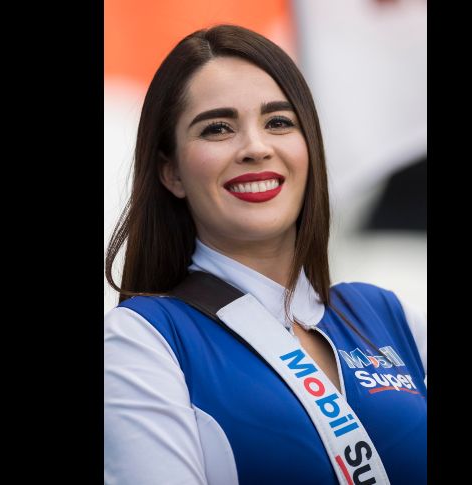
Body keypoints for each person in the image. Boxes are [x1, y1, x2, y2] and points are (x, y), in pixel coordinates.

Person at [104, 24, 426, 485]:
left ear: (308, 147)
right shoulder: (144, 339)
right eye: (218, 128)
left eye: (279, 122)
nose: (256, 147)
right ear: (171, 172)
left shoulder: (389, 317)